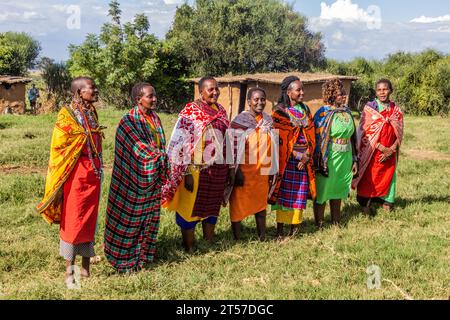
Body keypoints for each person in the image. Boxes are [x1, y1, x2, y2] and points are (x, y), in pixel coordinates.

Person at [36, 77, 103, 283]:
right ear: (79, 92)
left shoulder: (91, 112)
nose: (95, 90)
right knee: (73, 221)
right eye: (91, 88)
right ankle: (70, 272)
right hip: (74, 174)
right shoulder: (67, 115)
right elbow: (60, 144)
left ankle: (85, 269)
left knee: (89, 220)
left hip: (93, 172)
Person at [104, 83, 168, 273]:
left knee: (149, 218)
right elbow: (138, 149)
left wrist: (160, 159)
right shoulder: (128, 121)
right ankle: (123, 259)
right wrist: (161, 158)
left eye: (155, 95)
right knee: (128, 222)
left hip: (152, 179)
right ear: (138, 99)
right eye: (150, 96)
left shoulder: (154, 119)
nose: (154, 99)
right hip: (130, 181)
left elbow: (158, 144)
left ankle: (143, 256)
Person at [162, 77, 231, 252]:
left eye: (217, 89)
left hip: (217, 169)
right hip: (195, 169)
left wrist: (229, 169)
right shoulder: (191, 111)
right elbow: (179, 143)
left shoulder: (221, 110)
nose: (215, 92)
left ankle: (208, 242)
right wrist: (186, 174)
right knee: (189, 207)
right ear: (201, 91)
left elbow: (227, 140)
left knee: (212, 207)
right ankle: (189, 247)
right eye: (210, 89)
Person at [269, 76, 317, 237]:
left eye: (302, 89)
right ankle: (280, 230)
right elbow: (280, 140)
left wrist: (306, 156)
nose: (302, 92)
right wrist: (297, 156)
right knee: (284, 195)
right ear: (289, 92)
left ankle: (295, 230)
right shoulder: (279, 112)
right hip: (288, 161)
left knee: (299, 195)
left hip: (305, 161)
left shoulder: (306, 110)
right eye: (299, 90)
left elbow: (312, 136)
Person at [226, 88, 274, 241]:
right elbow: (230, 147)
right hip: (244, 172)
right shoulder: (239, 121)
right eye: (256, 99)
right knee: (238, 205)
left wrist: (272, 168)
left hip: (262, 171)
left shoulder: (267, 120)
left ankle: (262, 236)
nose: (260, 102)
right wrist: (235, 170)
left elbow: (272, 146)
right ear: (248, 102)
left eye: (263, 99)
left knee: (260, 206)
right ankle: (237, 238)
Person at [352, 79, 404, 213]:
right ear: (376, 92)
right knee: (369, 178)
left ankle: (387, 201)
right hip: (372, 152)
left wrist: (392, 149)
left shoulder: (396, 110)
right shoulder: (370, 108)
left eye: (385, 89)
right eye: (379, 90)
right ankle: (365, 203)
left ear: (390, 90)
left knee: (389, 176)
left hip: (390, 153)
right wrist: (381, 148)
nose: (382, 92)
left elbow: (399, 132)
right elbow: (364, 132)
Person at [313, 78, 358, 227]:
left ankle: (335, 222)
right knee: (324, 189)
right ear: (331, 95)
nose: (344, 96)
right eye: (340, 94)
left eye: (344, 93)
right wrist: (319, 160)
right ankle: (319, 223)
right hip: (329, 157)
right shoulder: (323, 113)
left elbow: (353, 137)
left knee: (338, 189)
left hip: (345, 156)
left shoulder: (346, 112)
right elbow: (318, 138)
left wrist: (354, 158)